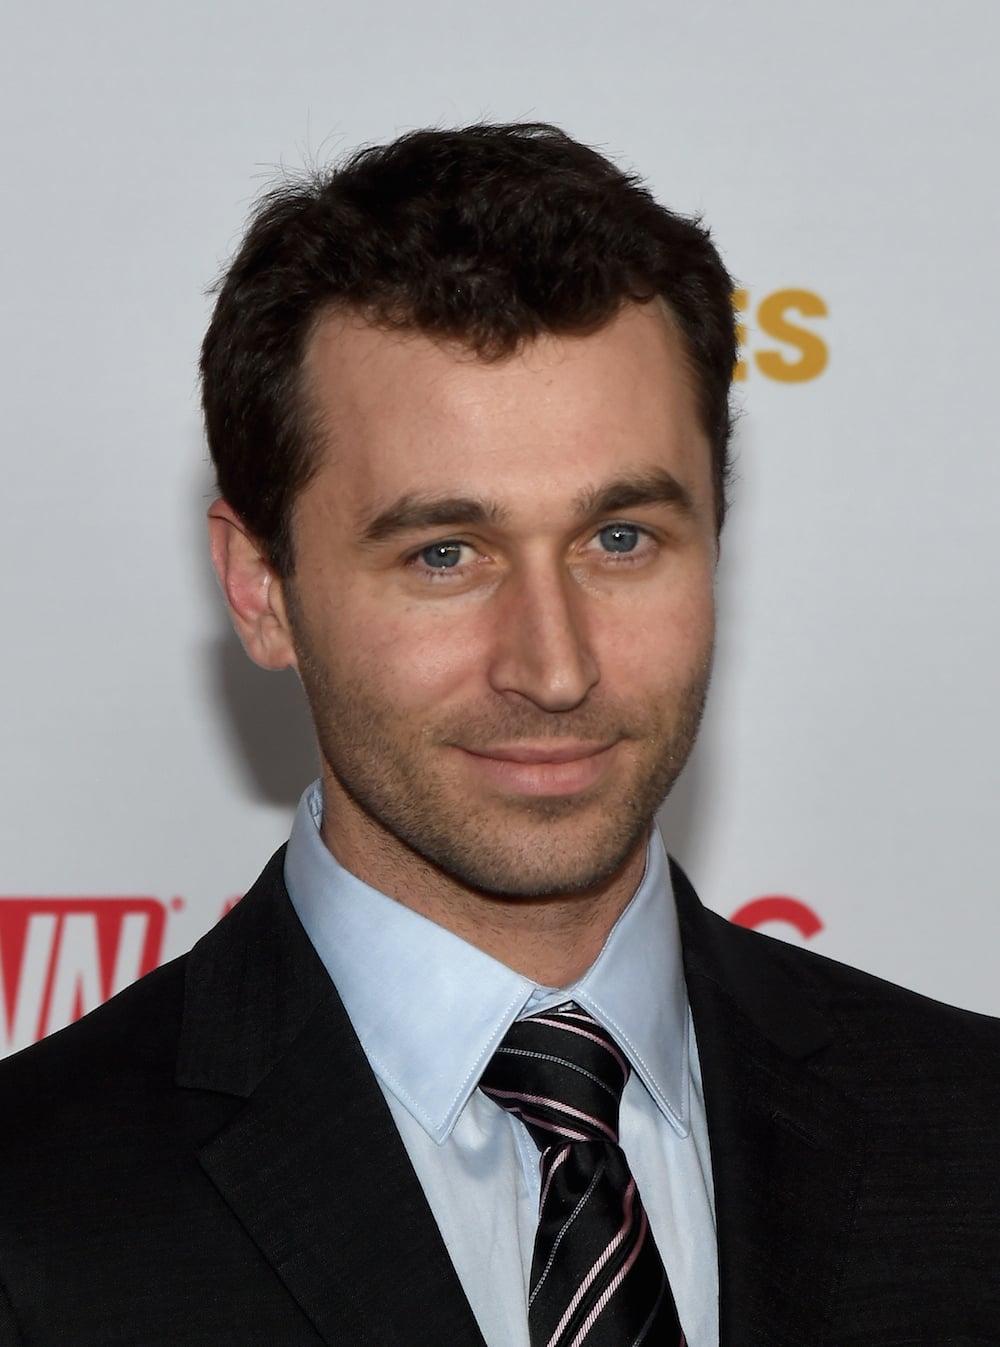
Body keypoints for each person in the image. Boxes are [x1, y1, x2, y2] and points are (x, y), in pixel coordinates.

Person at [0, 123, 998, 1347]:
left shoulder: (973, 1138)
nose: (554, 667)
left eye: (620, 540)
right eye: (444, 554)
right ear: (261, 588)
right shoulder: (36, 1214)